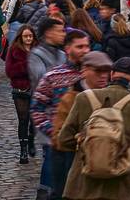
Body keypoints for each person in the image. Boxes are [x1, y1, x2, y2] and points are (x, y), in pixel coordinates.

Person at [57, 53, 130, 199]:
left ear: (112, 75)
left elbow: (63, 140)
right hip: (124, 188)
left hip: (82, 187)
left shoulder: (84, 98)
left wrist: (89, 144)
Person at [32, 28, 91, 200]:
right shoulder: (53, 76)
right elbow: (37, 108)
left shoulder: (94, 74)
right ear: (68, 49)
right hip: (61, 147)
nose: (85, 50)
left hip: (90, 145)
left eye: (87, 46)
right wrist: (54, 132)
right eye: (79, 47)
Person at [5, 23, 37, 164]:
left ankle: (31, 140)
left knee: (34, 120)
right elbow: (10, 71)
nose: (28, 38)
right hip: (20, 89)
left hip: (36, 89)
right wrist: (27, 66)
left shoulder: (39, 49)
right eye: (26, 36)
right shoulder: (14, 50)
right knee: (23, 119)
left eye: (30, 36)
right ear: (21, 37)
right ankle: (23, 150)